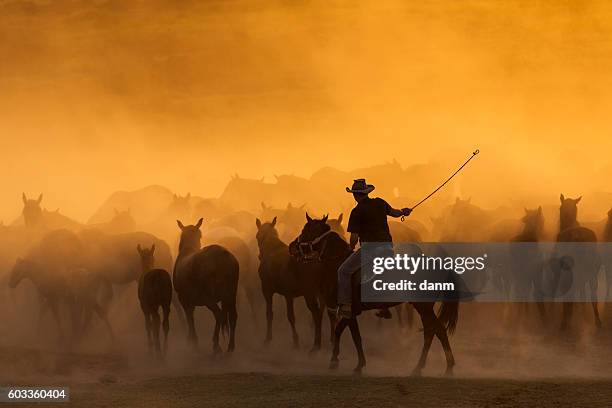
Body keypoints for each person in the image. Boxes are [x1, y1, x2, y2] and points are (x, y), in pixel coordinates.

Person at [337, 178, 412, 319]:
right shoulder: (380, 202)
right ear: (366, 192)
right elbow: (395, 213)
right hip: (388, 249)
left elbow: (354, 237)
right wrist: (404, 211)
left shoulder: (357, 211)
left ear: (355, 195)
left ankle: (346, 305)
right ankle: (384, 306)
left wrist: (350, 248)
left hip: (369, 251)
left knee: (344, 271)